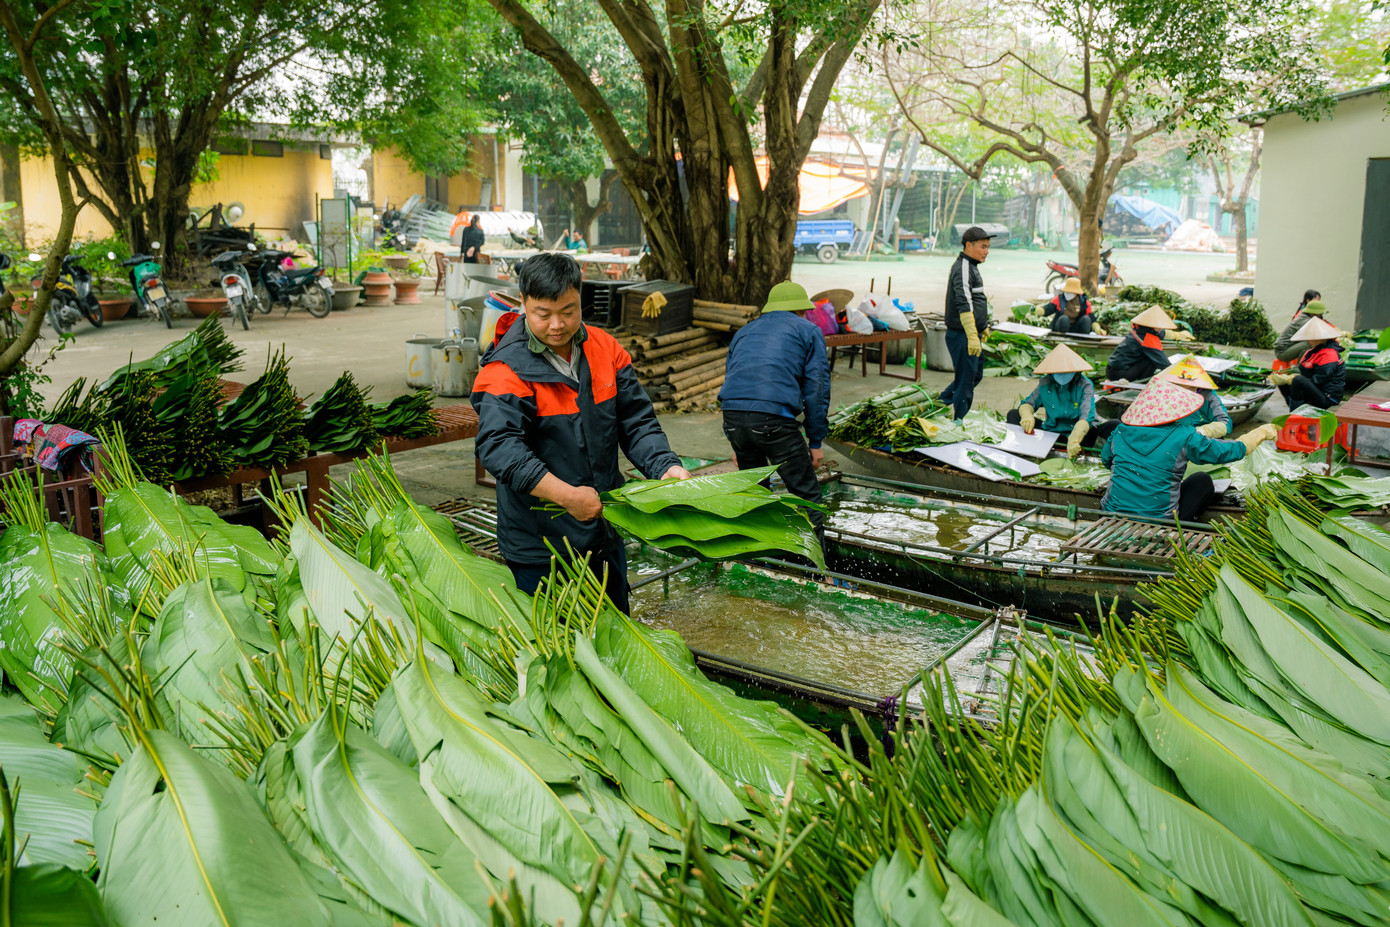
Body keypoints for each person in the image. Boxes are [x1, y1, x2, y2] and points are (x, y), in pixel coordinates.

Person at [471, 252, 691, 613]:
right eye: (543, 314)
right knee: (560, 653)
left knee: (616, 641)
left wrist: (665, 466)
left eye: (568, 311)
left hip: (604, 533)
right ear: (523, 303)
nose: (557, 324)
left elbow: (636, 421)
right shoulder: (505, 369)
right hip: (542, 549)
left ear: (580, 297)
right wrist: (568, 497)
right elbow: (498, 448)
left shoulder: (607, 350)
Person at [719, 281, 831, 545]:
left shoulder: (744, 332)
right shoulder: (809, 331)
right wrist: (815, 442)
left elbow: (735, 382)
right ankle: (818, 571)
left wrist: (738, 441)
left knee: (756, 495)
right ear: (801, 311)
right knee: (807, 496)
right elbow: (817, 389)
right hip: (774, 420)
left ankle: (762, 559)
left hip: (734, 419)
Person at [1100, 380, 1278, 521]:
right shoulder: (1184, 436)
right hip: (1159, 518)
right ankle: (1185, 524)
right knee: (1202, 480)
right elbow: (1226, 452)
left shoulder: (1120, 431)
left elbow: (1107, 460)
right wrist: (1258, 434)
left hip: (1110, 511)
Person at [1007, 344, 1117, 458]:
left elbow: (1087, 416)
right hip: (1052, 434)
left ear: (1075, 370)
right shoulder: (1046, 383)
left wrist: (1075, 438)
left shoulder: (1084, 385)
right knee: (1014, 414)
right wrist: (1027, 416)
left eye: (1066, 371)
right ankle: (1022, 452)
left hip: (1081, 437)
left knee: (1114, 425)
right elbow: (1028, 404)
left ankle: (1105, 455)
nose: (1062, 375)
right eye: (1058, 371)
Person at [941, 226, 994, 420]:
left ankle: (939, 403)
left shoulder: (971, 267)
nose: (986, 251)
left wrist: (983, 326)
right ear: (968, 245)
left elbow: (977, 300)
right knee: (965, 381)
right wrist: (972, 335)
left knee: (974, 376)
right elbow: (964, 303)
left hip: (971, 333)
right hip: (962, 335)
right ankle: (959, 420)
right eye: (983, 246)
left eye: (988, 247)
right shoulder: (963, 267)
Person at [1269, 315, 1345, 410]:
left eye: (1310, 337)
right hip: (1316, 391)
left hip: (1328, 396)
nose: (1308, 340)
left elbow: (1321, 379)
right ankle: (1295, 409)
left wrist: (1295, 379)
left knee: (1298, 380)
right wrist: (1286, 377)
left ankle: (1295, 413)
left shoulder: (1330, 354)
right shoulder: (1310, 352)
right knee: (1282, 382)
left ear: (1320, 338)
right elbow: (1303, 371)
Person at [1104, 305, 1192, 383]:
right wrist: (1180, 377)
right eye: (1159, 325)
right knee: (1152, 360)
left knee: (1151, 357)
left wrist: (1178, 335)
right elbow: (1163, 363)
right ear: (1151, 325)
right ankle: (1143, 384)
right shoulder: (1146, 339)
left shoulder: (1140, 329)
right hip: (1118, 373)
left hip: (1112, 368)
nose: (1161, 328)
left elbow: (1160, 333)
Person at [1158, 356, 1230, 437]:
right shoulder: (1167, 392)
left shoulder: (1208, 396)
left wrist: (1203, 431)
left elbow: (1225, 422)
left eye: (1189, 388)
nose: (1183, 392)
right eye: (1179, 386)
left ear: (1196, 386)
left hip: (1199, 438)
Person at [1272, 293, 1325, 365]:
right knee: (1308, 344)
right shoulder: (1305, 321)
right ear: (1314, 313)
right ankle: (1300, 368)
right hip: (1282, 352)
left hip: (1289, 347)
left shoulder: (1307, 317)